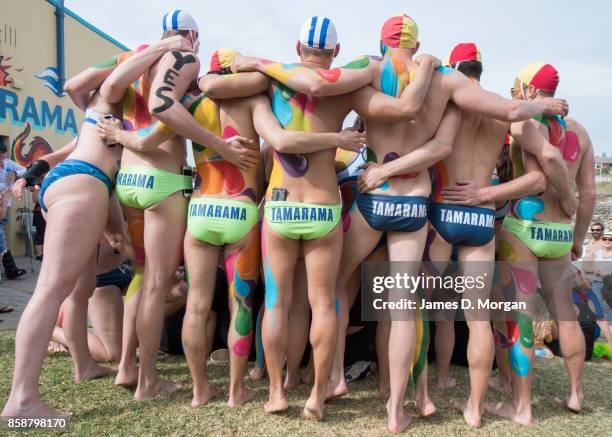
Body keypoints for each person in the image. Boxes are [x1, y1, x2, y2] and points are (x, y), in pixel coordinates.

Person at [237, 14, 568, 432]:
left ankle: (330, 380)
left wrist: (258, 63)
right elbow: (509, 108)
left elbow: (316, 82)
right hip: (414, 204)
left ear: (382, 41)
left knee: (333, 286)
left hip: (373, 195)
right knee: (402, 306)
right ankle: (397, 408)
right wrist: (542, 104)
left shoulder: (368, 69)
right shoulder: (446, 79)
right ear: (418, 43)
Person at [98, 47, 365, 407]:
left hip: (202, 210)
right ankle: (238, 391)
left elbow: (145, 140)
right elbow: (281, 144)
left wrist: (119, 132)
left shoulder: (192, 105)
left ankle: (199, 391)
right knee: (242, 302)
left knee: (196, 304)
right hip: (241, 212)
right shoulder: (256, 104)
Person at [93, 10, 258, 400]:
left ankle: (138, 371)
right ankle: (165, 382)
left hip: (137, 183)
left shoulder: (147, 67)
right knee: (160, 286)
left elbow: (99, 89)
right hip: (173, 187)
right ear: (193, 38)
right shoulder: (231, 96)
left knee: (150, 280)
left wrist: (120, 133)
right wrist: (221, 146)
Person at [415, 43, 572, 428]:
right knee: (478, 318)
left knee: (416, 308)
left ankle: (418, 393)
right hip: (481, 219)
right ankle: (473, 407)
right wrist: (486, 194)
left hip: (443, 211)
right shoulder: (506, 110)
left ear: (454, 68)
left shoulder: (449, 102)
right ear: (481, 71)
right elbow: (539, 175)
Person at [482, 62, 595, 425]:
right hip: (560, 234)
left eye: (518, 89)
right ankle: (576, 394)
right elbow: (590, 193)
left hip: (525, 228)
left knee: (522, 319)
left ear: (529, 90)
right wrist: (578, 235)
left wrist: (564, 194)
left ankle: (523, 407)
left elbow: (548, 157)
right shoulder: (581, 131)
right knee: (567, 314)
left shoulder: (525, 121)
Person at [0, 143, 26, 279]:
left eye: (3, 154)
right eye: (0, 154)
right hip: (1, 202)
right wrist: (4, 184)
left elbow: (25, 170)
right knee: (1, 235)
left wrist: (15, 174)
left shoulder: (8, 163)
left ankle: (10, 269)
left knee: (2, 234)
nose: (2, 157)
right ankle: (11, 269)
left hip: (6, 204)